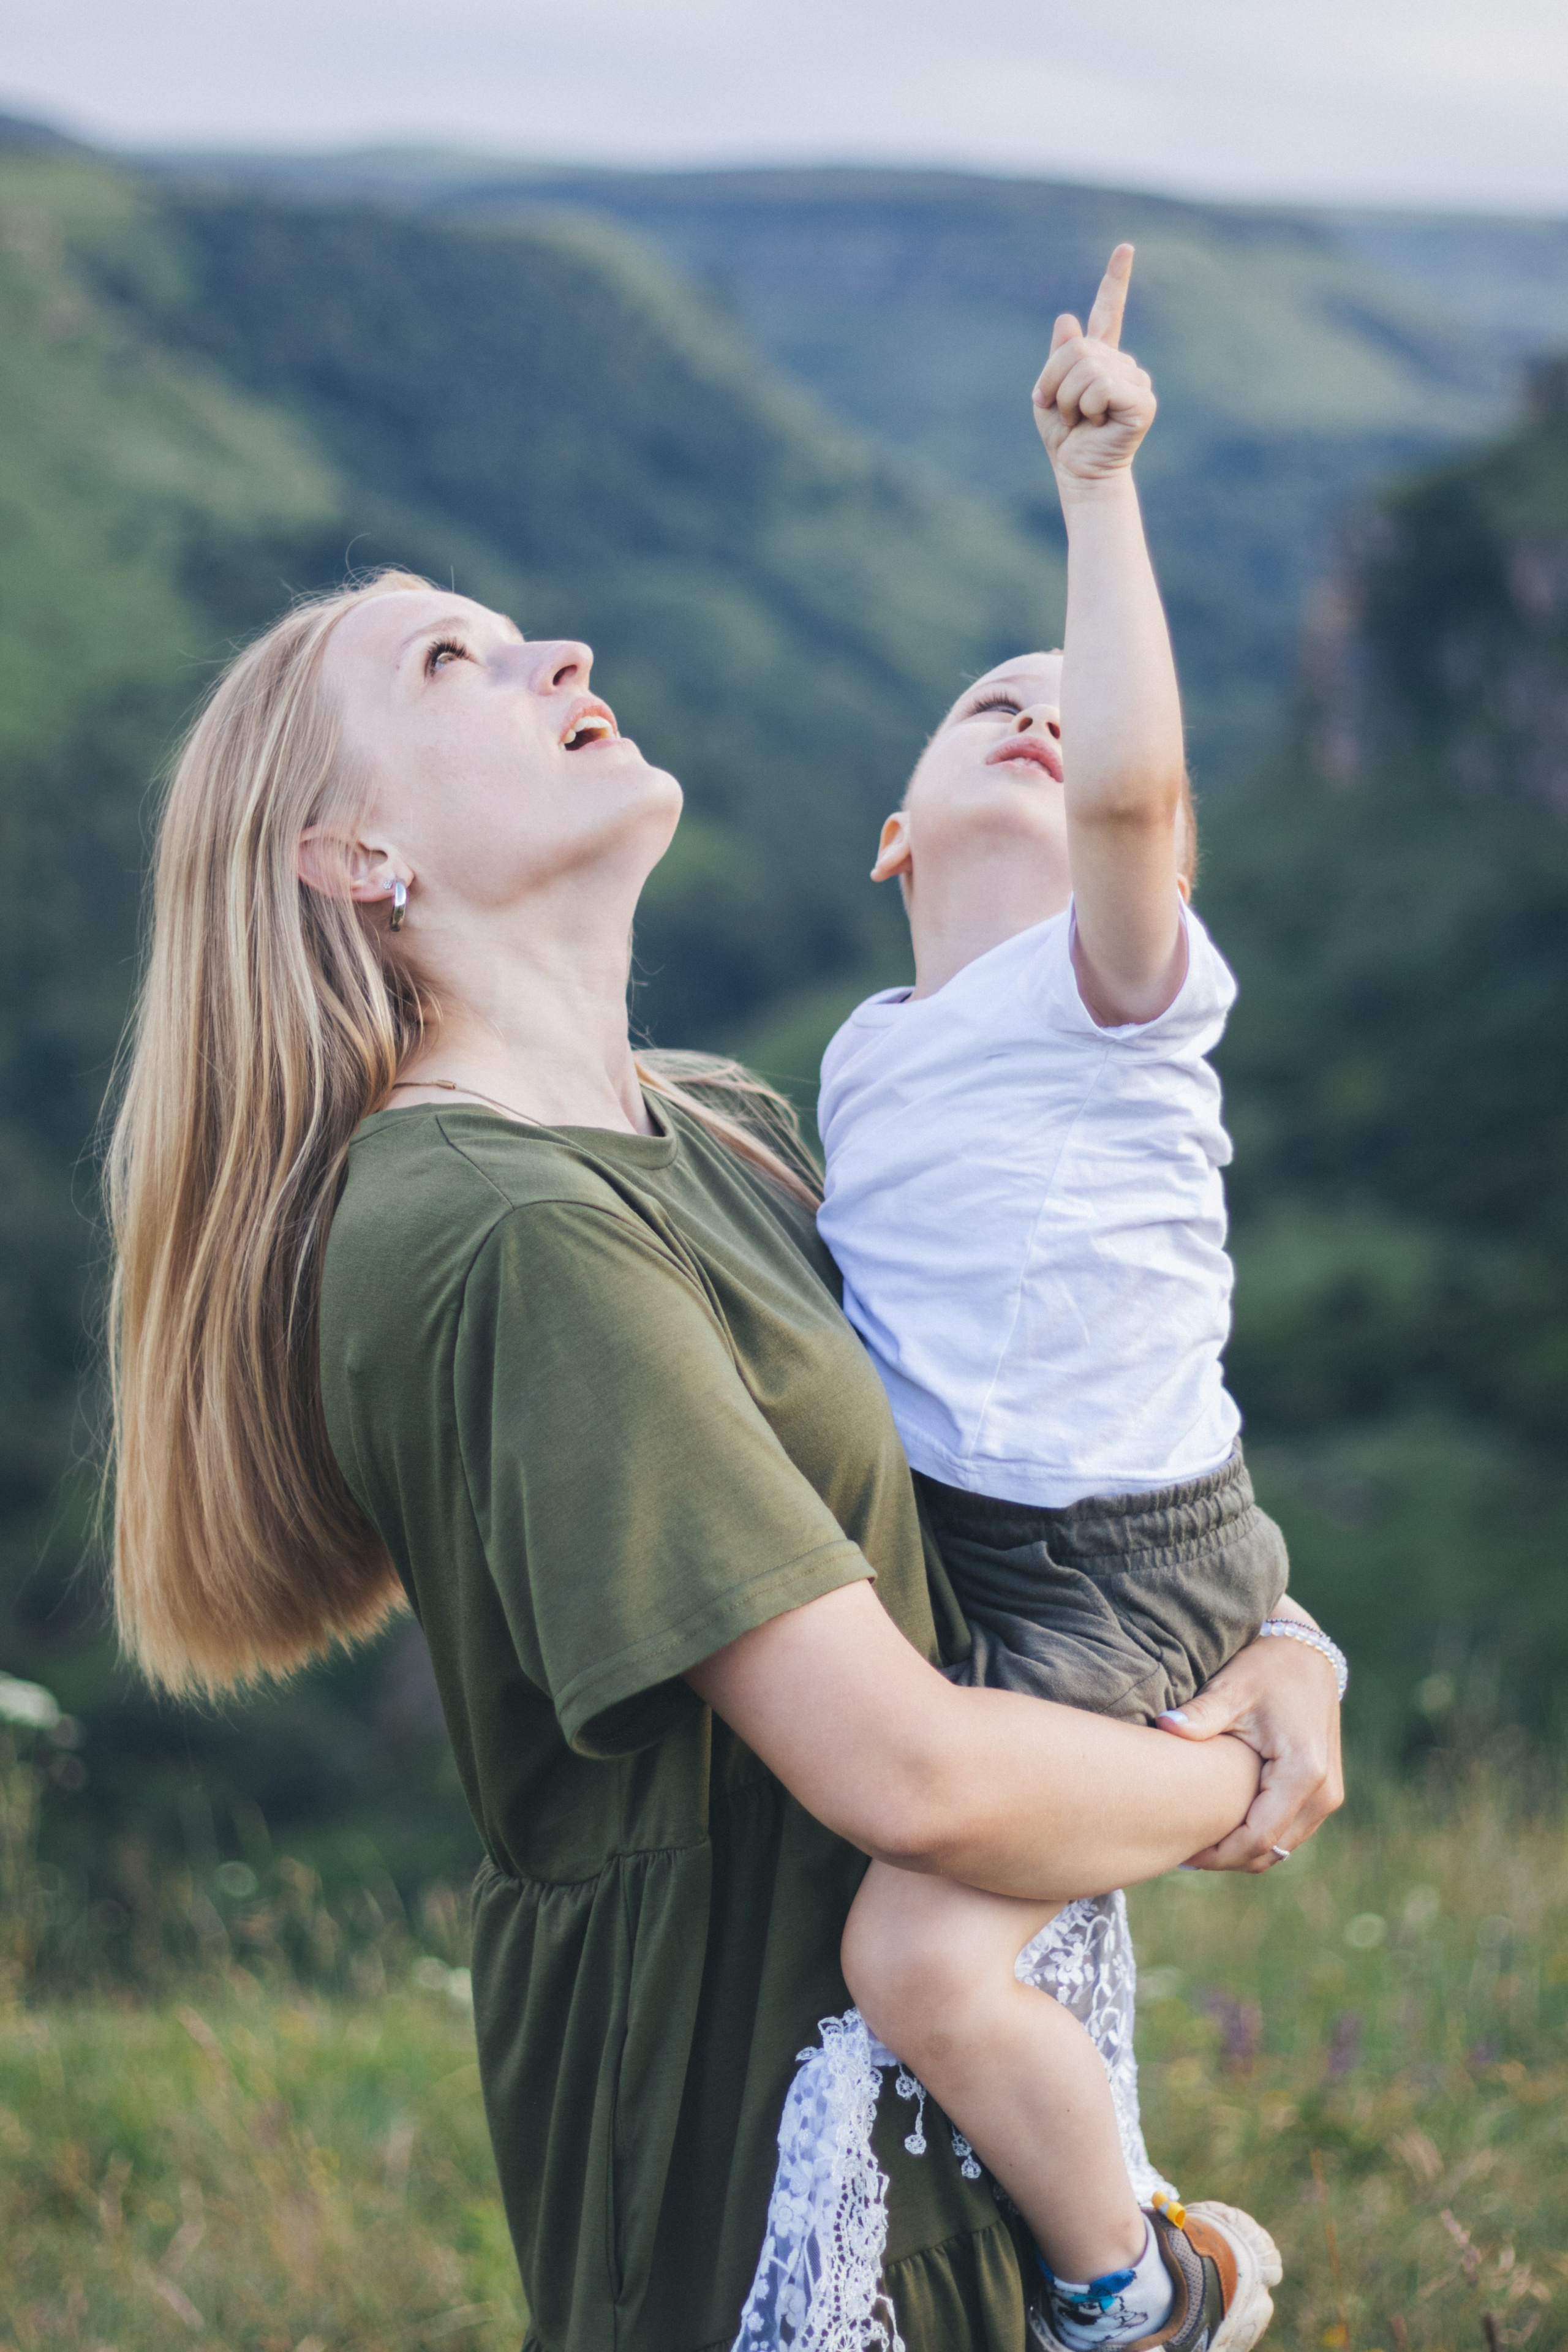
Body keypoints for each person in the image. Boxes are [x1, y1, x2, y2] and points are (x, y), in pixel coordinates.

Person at [104, 565, 1342, 2338]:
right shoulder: (506, 1230)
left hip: (923, 2107)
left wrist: (1276, 1637)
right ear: (353, 856)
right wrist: (1255, 1777)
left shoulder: (724, 1132)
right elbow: (909, 1779)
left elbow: (1017, 1448)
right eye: (450, 660)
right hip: (742, 2126)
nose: (559, 654)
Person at [818, 246, 1342, 2351]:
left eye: (1067, 702)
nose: (1043, 719)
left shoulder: (1114, 996)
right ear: (893, 836)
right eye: (989, 706)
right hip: (992, 1552)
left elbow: (1134, 788)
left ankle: (1138, 2281)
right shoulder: (867, 1048)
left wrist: (1098, 497)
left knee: (919, 1966)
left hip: (1119, 1568)